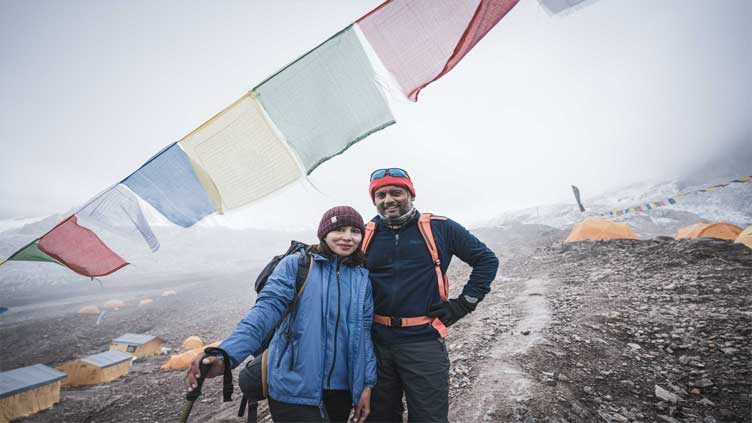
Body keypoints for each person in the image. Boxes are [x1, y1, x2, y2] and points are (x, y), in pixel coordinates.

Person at [185, 206, 377, 423]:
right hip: (294, 387)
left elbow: (363, 337)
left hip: (341, 391)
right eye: (340, 229)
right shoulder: (297, 265)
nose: (348, 237)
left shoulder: (361, 278)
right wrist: (226, 354)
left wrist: (365, 385)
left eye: (355, 231)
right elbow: (264, 313)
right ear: (324, 233)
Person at [362, 168, 499, 423]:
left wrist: (464, 304)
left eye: (396, 192)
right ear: (374, 200)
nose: (388, 200)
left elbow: (486, 260)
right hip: (376, 344)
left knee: (429, 417)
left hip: (422, 342)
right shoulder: (365, 234)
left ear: (410, 194)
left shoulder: (440, 228)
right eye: (380, 195)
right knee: (379, 417)